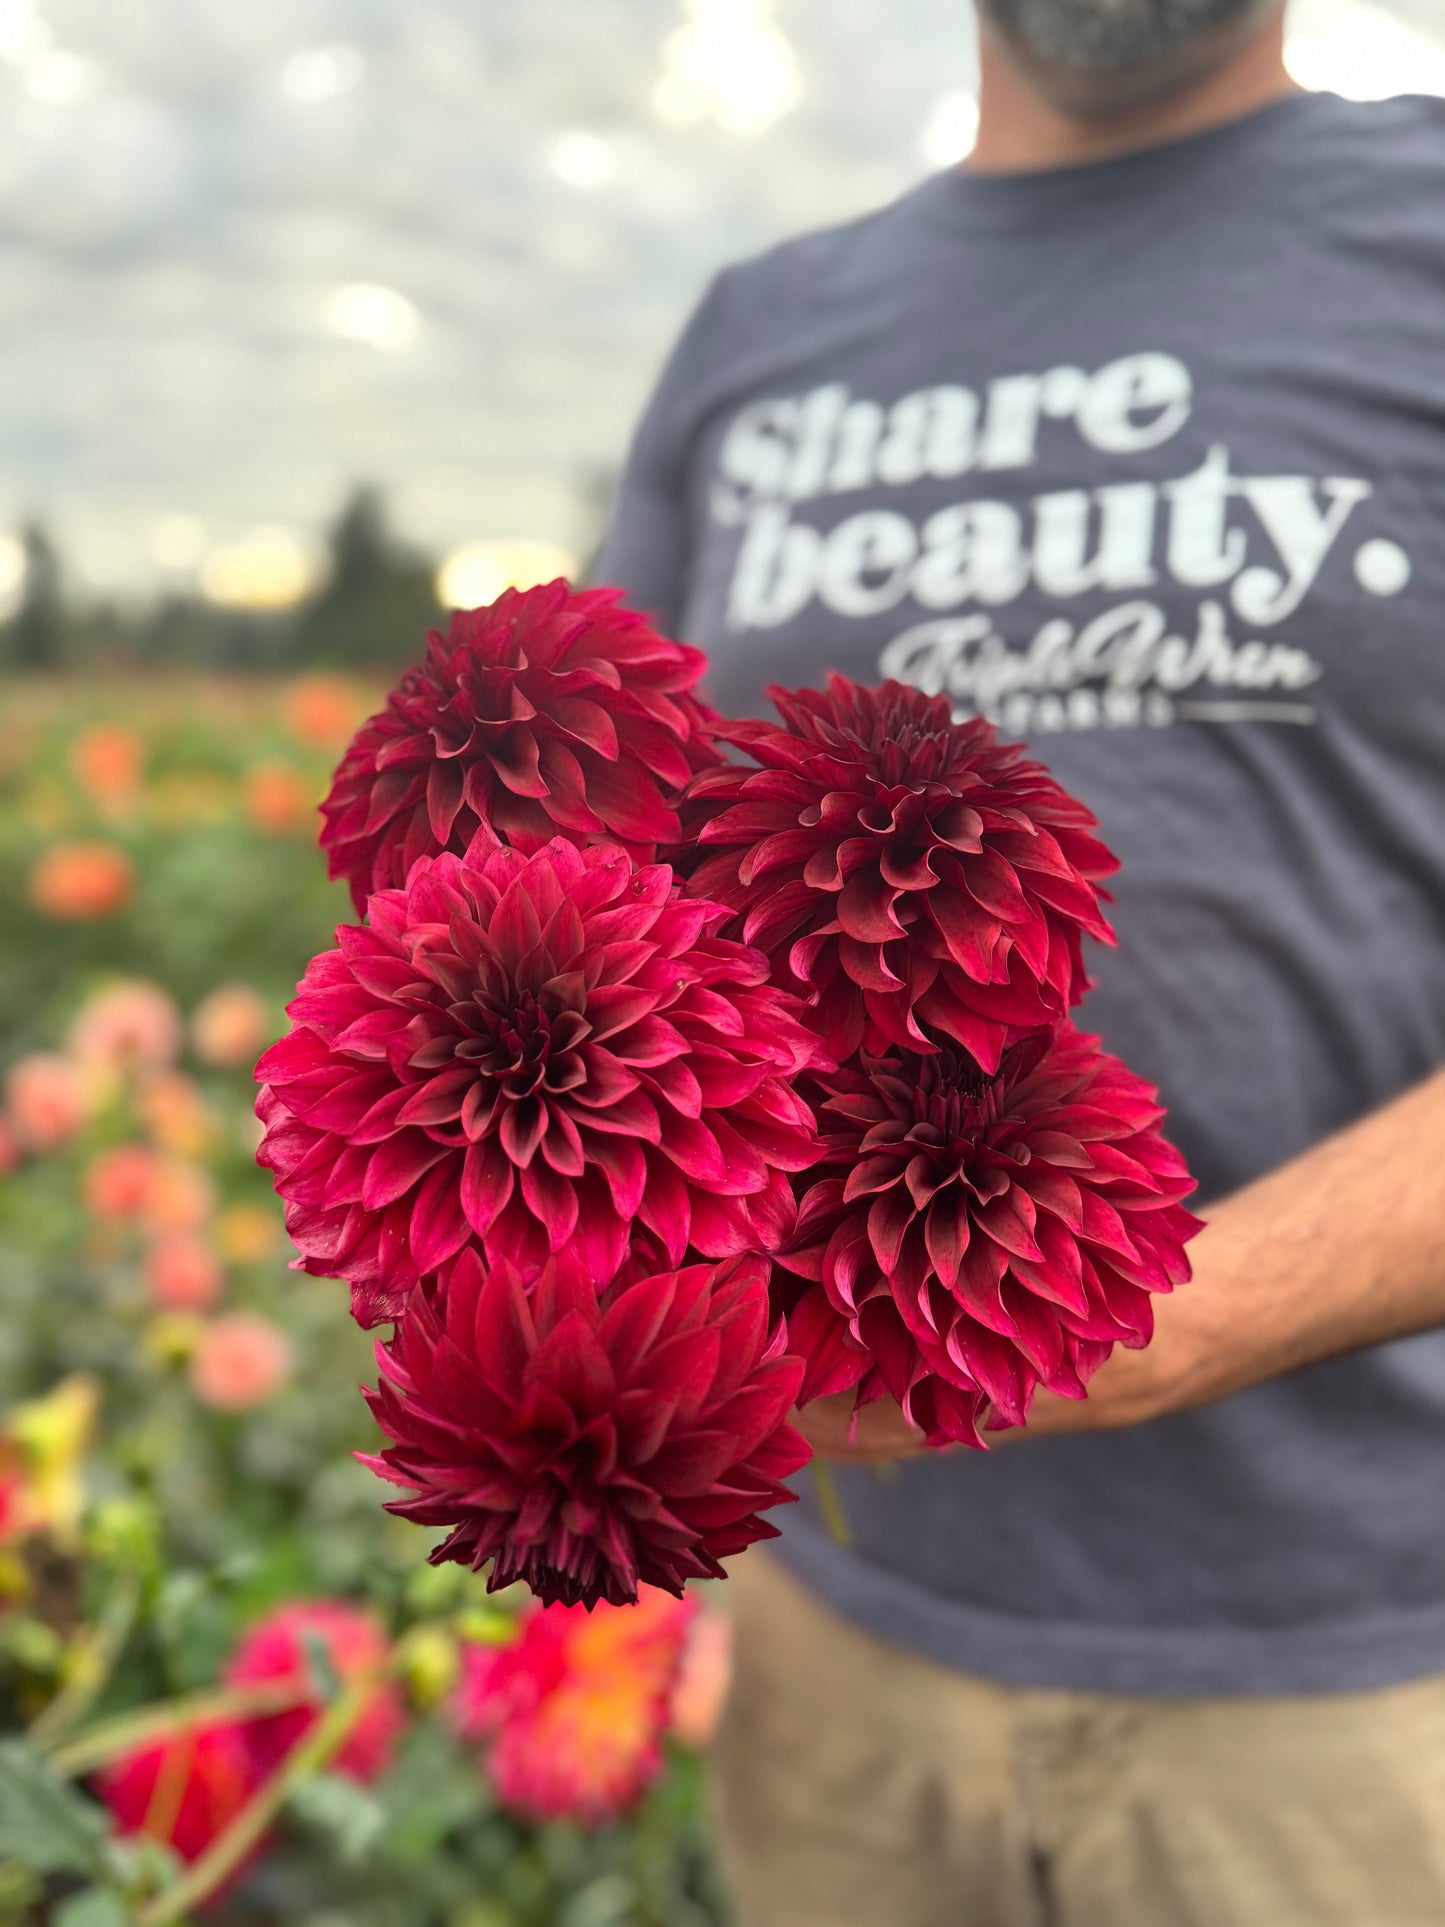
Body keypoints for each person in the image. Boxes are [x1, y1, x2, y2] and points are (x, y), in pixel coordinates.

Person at [596, 2, 1445, 1920]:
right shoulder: (755, 328)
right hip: (832, 1630)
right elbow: (583, 871)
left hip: (1362, 1687)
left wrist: (1185, 1309)